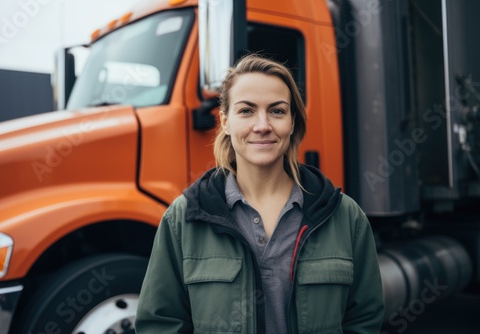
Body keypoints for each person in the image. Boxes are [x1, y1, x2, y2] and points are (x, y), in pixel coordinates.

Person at [135, 54, 384, 333]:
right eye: (246, 111)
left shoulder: (345, 216)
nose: (263, 125)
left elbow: (365, 321)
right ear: (225, 122)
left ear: (292, 122)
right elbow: (160, 324)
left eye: (277, 111)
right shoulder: (183, 219)